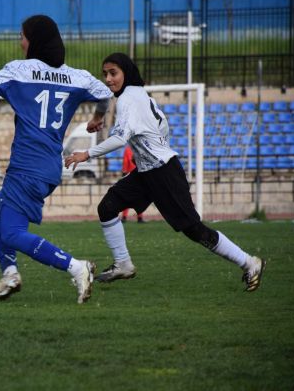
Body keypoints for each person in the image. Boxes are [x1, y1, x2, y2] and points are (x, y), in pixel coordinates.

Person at [0, 15, 113, 303]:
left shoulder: (19, 70)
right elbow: (105, 93)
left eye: (22, 36)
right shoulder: (77, 76)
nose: (20, 42)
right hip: (48, 166)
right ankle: (10, 274)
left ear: (34, 40)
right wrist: (97, 118)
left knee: (14, 233)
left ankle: (76, 267)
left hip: (28, 166)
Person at [65, 52, 265, 292]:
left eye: (113, 73)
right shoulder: (138, 94)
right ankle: (123, 264)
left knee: (194, 230)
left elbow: (119, 139)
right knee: (107, 207)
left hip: (163, 173)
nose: (108, 79)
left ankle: (249, 262)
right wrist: (101, 119)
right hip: (148, 171)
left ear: (126, 72)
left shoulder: (129, 99)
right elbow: (159, 123)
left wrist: (86, 153)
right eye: (105, 73)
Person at [120, 145, 144, 223]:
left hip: (130, 175)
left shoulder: (128, 149)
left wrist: (124, 172)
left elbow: (126, 161)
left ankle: (124, 217)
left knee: (126, 197)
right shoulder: (140, 148)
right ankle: (139, 218)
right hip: (140, 175)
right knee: (139, 198)